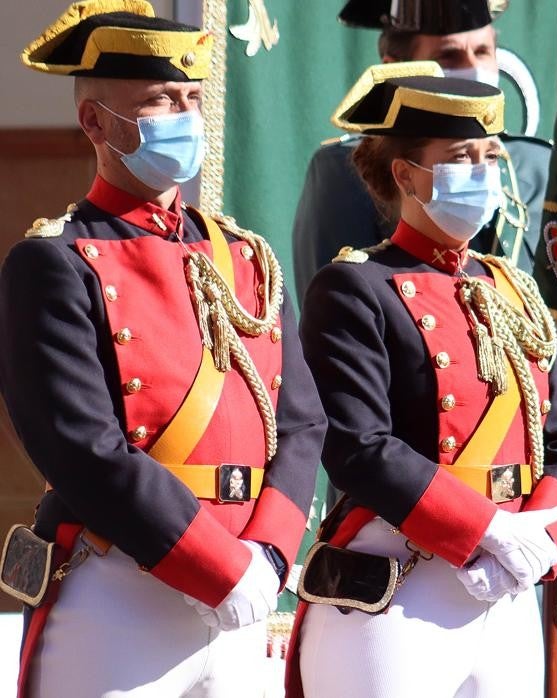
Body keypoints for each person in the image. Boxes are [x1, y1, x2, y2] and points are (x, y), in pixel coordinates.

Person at [0, 2, 326, 696]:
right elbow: (83, 447)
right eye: (158, 102)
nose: (182, 116)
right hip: (122, 585)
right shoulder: (55, 261)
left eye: (190, 99)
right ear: (95, 123)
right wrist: (218, 566)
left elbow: (301, 422)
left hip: (248, 582)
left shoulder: (246, 256)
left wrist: (266, 554)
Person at [289, 63, 557, 698]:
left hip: (508, 584)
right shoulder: (355, 287)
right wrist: (486, 530)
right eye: (461, 157)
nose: (482, 174)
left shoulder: (510, 288)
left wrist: (537, 534)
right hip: (400, 580)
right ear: (405, 174)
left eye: (489, 156)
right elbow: (358, 446)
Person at [292, 0, 551, 302]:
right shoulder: (345, 171)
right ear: (396, 69)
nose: (475, 70)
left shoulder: (539, 165)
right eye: (449, 56)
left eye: (483, 52)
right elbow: (337, 306)